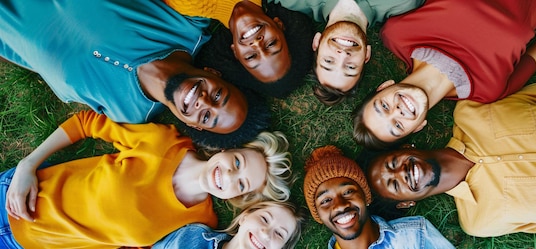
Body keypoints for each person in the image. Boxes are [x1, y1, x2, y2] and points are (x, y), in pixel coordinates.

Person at [363, 71, 536, 248]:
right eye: (395, 185)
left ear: (407, 146)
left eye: (392, 163)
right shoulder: (481, 221)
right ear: (409, 202)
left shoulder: (472, 111)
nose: (401, 173)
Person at [353, 1, 536, 149]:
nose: (397, 110)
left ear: (384, 86)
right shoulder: (488, 90)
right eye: (397, 126)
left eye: (384, 106)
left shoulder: (398, 34)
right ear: (420, 127)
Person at [1, 110, 293, 248]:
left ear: (239, 199)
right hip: (15, 197)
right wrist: (28, 164)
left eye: (241, 184)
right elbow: (86, 123)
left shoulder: (200, 226)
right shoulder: (163, 142)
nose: (229, 175)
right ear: (228, 149)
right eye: (238, 162)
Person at [0, 0, 255, 138]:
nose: (204, 102)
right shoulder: (187, 25)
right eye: (220, 96)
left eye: (207, 117)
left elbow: (32, 58)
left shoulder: (127, 115)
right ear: (215, 73)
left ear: (194, 125)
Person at [268, 0, 425, 105]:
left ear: (316, 42)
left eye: (329, 61)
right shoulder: (404, 3)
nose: (343, 55)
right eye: (350, 67)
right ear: (367, 55)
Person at [303, 145, 454, 248]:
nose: (341, 204)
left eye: (348, 192)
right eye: (326, 200)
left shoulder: (417, 234)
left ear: (365, 197)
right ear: (318, 216)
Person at [181, 0, 314, 98]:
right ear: (279, 25)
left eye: (251, 56)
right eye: (271, 44)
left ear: (235, 51)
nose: (257, 44)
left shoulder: (190, 5)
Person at [153, 200, 307, 249]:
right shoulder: (193, 237)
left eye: (280, 234)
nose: (266, 233)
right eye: (264, 219)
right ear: (244, 217)